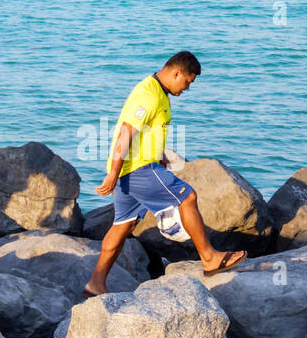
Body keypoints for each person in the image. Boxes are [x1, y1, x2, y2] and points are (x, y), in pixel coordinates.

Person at [82, 51, 246, 298]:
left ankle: (95, 283)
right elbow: (126, 133)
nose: (188, 88)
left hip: (133, 170)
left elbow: (145, 132)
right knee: (187, 197)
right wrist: (112, 174)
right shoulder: (149, 96)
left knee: (122, 226)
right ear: (176, 72)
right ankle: (210, 258)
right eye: (187, 82)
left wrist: (158, 156)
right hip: (137, 169)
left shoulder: (158, 91)